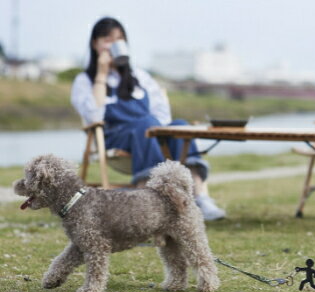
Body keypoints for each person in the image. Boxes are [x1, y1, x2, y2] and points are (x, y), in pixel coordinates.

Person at [71, 17, 225, 221]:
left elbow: (161, 114)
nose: (114, 45)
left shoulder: (139, 77)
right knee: (146, 124)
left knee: (180, 126)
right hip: (116, 137)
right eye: (108, 39)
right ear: (95, 44)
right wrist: (101, 73)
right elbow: (94, 116)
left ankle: (199, 197)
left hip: (150, 135)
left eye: (119, 39)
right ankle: (147, 206)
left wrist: (159, 132)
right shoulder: (85, 81)